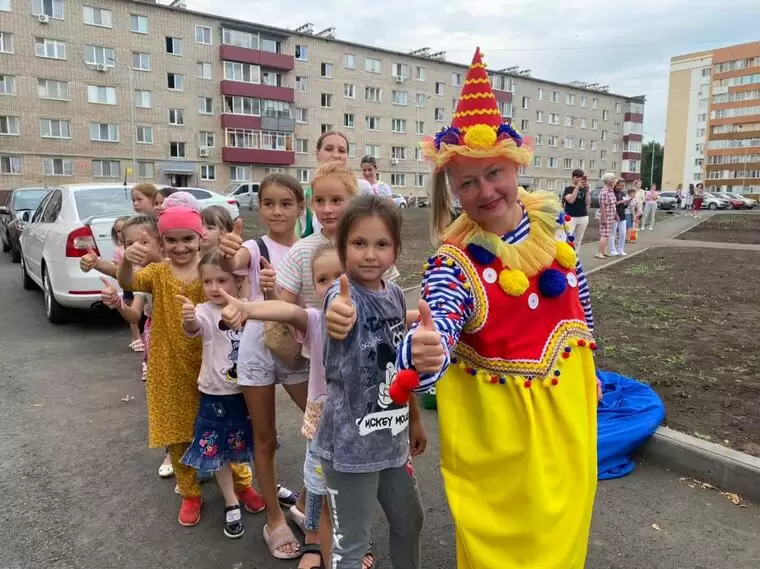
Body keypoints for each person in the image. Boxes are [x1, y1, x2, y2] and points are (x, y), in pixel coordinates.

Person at [390, 47, 599, 569]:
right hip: (502, 434)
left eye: (495, 173)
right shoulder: (454, 265)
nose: (486, 190)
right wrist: (420, 350)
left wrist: (595, 363)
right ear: (452, 189)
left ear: (514, 167)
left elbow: (580, 300)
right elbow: (435, 324)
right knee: (509, 546)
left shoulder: (555, 232)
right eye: (468, 181)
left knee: (566, 529)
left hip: (568, 412)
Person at [117, 207, 263, 527]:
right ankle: (189, 491)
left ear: (200, 239)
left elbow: (244, 283)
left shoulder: (212, 268)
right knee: (178, 431)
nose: (180, 247)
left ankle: (243, 483)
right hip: (167, 364)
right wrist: (127, 259)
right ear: (161, 241)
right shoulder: (156, 272)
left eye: (188, 239)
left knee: (228, 428)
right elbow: (127, 280)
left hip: (214, 365)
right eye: (172, 240)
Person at [315, 194, 426, 569]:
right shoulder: (342, 296)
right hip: (349, 451)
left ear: (395, 250)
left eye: (381, 244)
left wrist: (414, 419)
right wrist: (337, 317)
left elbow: (399, 363)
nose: (369, 254)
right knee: (351, 547)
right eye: (359, 243)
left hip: (392, 442)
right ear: (342, 245)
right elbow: (337, 311)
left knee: (410, 523)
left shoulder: (394, 294)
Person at [219, 173, 310, 559]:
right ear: (260, 208)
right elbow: (234, 261)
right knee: (266, 438)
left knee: (320, 426)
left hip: (295, 349)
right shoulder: (255, 247)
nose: (277, 211)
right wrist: (228, 250)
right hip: (258, 349)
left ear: (300, 209)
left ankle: (306, 504)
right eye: (269, 203)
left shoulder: (308, 250)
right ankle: (274, 518)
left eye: (285, 203)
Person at [176, 249, 255, 539]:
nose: (213, 288)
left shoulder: (251, 307)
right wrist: (187, 317)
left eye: (221, 280)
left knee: (244, 445)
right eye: (207, 282)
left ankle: (248, 487)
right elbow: (193, 328)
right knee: (217, 449)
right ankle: (230, 499)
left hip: (247, 393)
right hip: (215, 394)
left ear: (237, 280)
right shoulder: (203, 311)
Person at [297, 131, 373, 239]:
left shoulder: (362, 188)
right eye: (329, 149)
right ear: (317, 154)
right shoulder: (307, 195)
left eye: (342, 151)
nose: (335, 155)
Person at [562, 169, 591, 246]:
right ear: (574, 178)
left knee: (578, 240)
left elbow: (587, 203)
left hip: (583, 216)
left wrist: (587, 191)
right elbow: (571, 200)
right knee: (567, 238)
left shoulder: (584, 189)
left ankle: (576, 256)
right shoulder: (568, 189)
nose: (580, 180)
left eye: (581, 178)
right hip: (570, 217)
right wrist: (577, 187)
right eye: (578, 177)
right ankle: (567, 256)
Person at [597, 173, 618, 259]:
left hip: (611, 215)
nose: (614, 181)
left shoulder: (611, 190)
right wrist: (604, 218)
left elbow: (613, 204)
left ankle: (603, 251)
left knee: (607, 234)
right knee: (604, 234)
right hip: (606, 215)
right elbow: (602, 206)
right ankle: (599, 253)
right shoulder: (604, 191)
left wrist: (615, 214)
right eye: (613, 179)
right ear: (608, 181)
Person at [609, 178, 629, 257]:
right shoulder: (612, 192)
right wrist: (620, 202)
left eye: (623, 186)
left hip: (622, 214)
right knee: (612, 233)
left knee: (623, 233)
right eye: (621, 185)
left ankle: (621, 249)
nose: (622, 187)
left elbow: (624, 206)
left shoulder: (623, 193)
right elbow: (612, 204)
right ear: (616, 184)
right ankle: (612, 250)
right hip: (614, 215)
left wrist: (627, 202)